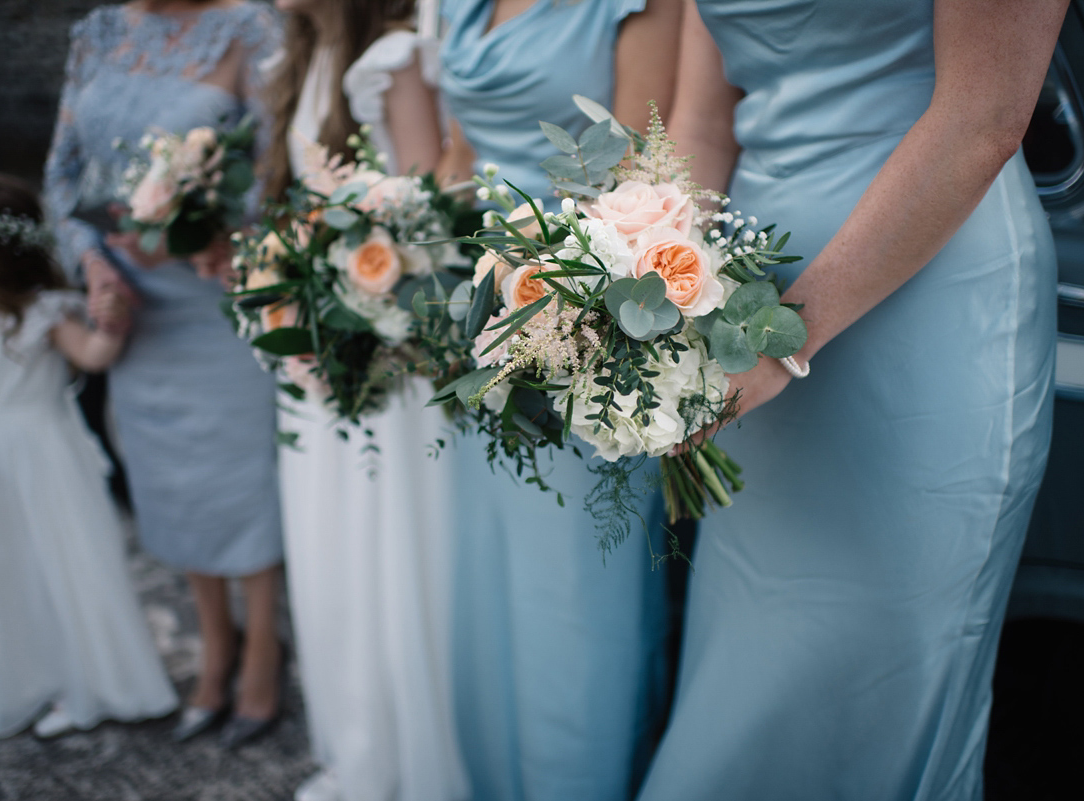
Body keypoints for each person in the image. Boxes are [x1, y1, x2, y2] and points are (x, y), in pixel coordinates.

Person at [636, 1, 1067, 798]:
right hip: (745, 300)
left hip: (929, 298)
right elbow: (701, 120)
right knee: (746, 680)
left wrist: (781, 342)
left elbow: (984, 119)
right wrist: (655, 293)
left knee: (873, 697)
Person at [436, 2, 682, 799]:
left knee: (576, 599)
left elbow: (645, 163)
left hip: (583, 320)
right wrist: (428, 259)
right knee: (495, 583)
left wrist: (561, 304)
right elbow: (461, 155)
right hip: (480, 324)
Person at [42, 0, 286, 749]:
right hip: (129, 308)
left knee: (242, 478)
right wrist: (89, 260)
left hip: (222, 298)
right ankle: (214, 648)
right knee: (173, 482)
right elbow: (62, 172)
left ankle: (263, 653)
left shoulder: (254, 29)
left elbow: (280, 175)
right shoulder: (97, 34)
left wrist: (195, 232)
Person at [261, 2, 467, 800]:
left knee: (376, 546)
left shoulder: (391, 58)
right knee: (325, 545)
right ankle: (355, 743)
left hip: (379, 346)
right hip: (312, 346)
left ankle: (402, 750)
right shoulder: (299, 61)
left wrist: (345, 299)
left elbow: (429, 218)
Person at [0, 173, 177, 739]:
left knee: (67, 560)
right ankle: (34, 675)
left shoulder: (44, 311)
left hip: (45, 450)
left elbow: (91, 355)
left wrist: (111, 325)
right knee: (7, 563)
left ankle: (92, 682)